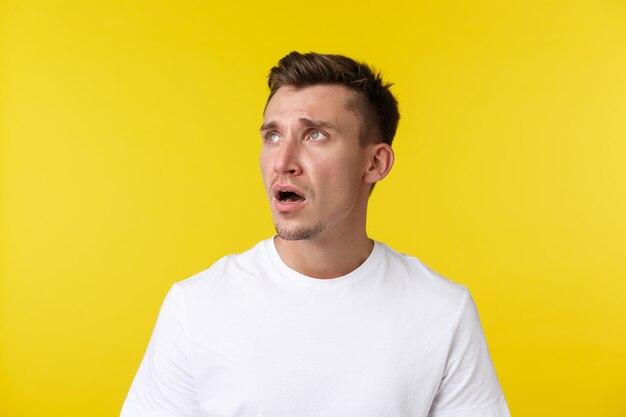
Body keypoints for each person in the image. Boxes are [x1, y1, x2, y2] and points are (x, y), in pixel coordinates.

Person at [120, 51, 511, 417]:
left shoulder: (442, 310)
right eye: (273, 136)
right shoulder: (196, 306)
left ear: (375, 162)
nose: (284, 162)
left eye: (315, 135)